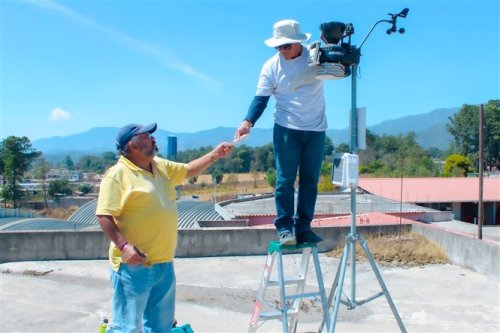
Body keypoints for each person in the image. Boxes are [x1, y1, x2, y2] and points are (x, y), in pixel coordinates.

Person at [96, 122, 232, 333]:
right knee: (128, 328)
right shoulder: (117, 175)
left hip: (164, 265)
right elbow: (104, 215)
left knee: (161, 329)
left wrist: (214, 155)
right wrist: (124, 246)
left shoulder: (159, 166)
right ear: (132, 146)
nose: (153, 139)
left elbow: (188, 170)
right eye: (146, 136)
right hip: (134, 267)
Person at [234, 19, 326, 246]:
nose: (283, 50)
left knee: (310, 181)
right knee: (284, 180)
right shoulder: (270, 67)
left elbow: (338, 65)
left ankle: (304, 228)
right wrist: (248, 121)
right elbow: (261, 99)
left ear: (298, 42)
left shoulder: (314, 55)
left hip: (316, 128)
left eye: (287, 45)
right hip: (286, 128)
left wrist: (335, 46)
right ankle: (285, 229)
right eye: (279, 46)